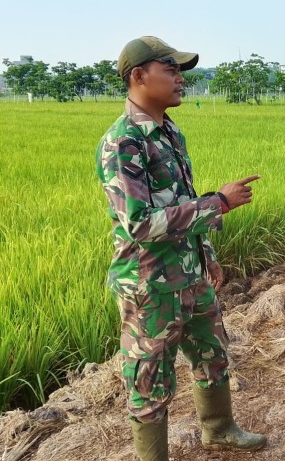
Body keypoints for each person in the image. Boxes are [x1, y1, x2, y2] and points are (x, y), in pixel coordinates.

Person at [96, 36, 267, 461]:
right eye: (171, 70)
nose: (180, 79)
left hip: (191, 274)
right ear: (139, 76)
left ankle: (219, 430)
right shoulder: (124, 141)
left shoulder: (170, 132)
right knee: (149, 380)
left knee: (212, 354)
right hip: (150, 286)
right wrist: (219, 202)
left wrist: (207, 254)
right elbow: (139, 223)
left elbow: (181, 200)